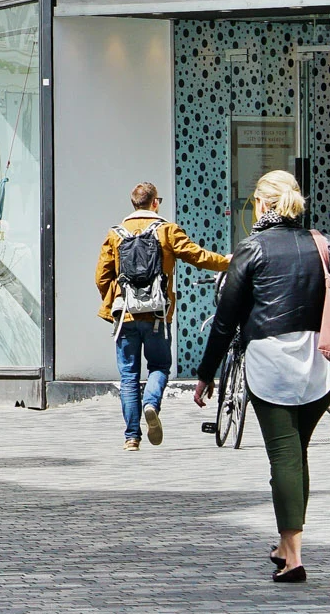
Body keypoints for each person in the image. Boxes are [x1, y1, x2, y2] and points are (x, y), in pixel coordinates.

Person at [190, 169, 330, 584]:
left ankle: (293, 556)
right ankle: (285, 545)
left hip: (270, 360)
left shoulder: (251, 249)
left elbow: (225, 319)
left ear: (261, 203)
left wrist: (206, 374)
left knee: (284, 457)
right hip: (317, 361)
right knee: (297, 454)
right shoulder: (324, 245)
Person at [92, 182, 230, 452]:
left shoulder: (116, 234)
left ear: (134, 204)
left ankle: (132, 437)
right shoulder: (166, 230)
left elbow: (101, 276)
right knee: (159, 366)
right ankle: (151, 404)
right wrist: (228, 262)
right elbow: (197, 255)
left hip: (126, 317)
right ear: (154, 202)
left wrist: (114, 302)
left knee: (129, 376)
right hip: (157, 314)